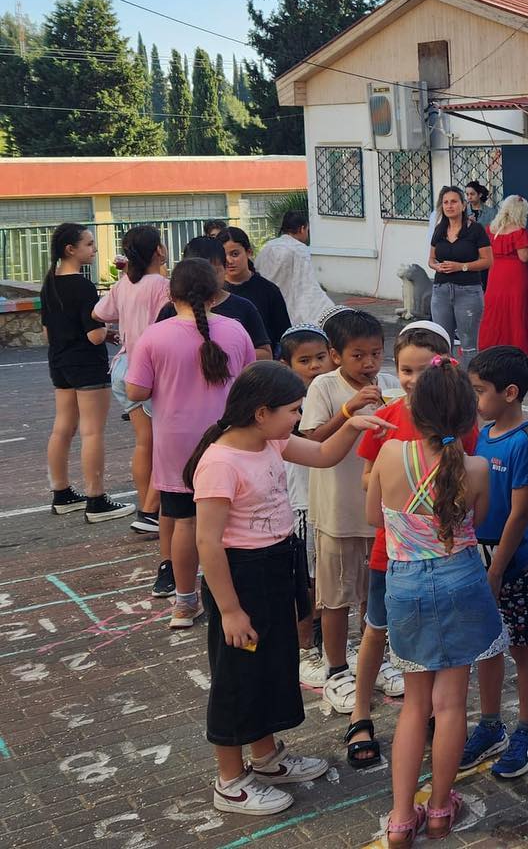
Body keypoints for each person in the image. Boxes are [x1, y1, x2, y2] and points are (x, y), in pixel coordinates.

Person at [188, 360, 392, 817]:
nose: (297, 418)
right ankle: (230, 780)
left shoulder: (269, 441)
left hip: (278, 564)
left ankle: (265, 758)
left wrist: (352, 424)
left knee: (274, 666)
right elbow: (208, 542)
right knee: (238, 679)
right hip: (241, 579)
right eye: (293, 410)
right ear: (261, 412)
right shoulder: (220, 461)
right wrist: (231, 610)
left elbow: (322, 455)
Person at [366, 357, 505, 847]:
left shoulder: (389, 456)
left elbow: (375, 517)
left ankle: (402, 817)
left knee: (414, 707)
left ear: (413, 409)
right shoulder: (477, 466)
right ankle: (442, 808)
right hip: (461, 580)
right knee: (450, 707)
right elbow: (478, 522)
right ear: (469, 418)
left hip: (404, 583)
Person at [347, 321, 478, 770]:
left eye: (424, 370)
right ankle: (360, 712)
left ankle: (434, 719)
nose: (413, 380)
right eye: (405, 369)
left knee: (438, 644)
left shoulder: (460, 419)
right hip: (394, 552)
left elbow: (464, 478)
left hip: (439, 554)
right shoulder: (388, 416)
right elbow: (367, 478)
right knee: (375, 630)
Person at [127, 259, 256, 628]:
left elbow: (136, 390)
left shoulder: (156, 336)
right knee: (233, 522)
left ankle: (185, 602)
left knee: (183, 522)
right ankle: (233, 597)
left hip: (176, 445)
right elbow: (250, 379)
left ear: (172, 294)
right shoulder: (234, 329)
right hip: (228, 440)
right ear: (216, 295)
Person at [300, 310, 400, 687]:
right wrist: (350, 409)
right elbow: (311, 440)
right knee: (336, 595)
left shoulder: (390, 383)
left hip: (379, 511)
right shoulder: (324, 387)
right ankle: (336, 667)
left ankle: (372, 660)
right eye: (358, 355)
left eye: (376, 353)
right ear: (336, 354)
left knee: (373, 593)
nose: (370, 363)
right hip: (337, 512)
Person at [461, 347, 528, 778]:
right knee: (486, 647)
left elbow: (520, 513)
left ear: (510, 392)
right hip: (480, 557)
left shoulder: (524, 439)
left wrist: (496, 570)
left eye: (480, 391)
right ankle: (490, 725)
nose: (474, 400)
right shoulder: (484, 433)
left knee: (523, 648)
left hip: (513, 563)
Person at [41, 223, 134, 524]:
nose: (94, 249)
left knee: (62, 428)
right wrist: (108, 332)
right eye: (89, 244)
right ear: (71, 249)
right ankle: (96, 499)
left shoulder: (50, 283)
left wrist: (100, 332)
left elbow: (47, 332)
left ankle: (62, 493)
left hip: (60, 362)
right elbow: (94, 335)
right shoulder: (83, 286)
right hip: (87, 365)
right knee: (92, 430)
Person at [94, 225, 171, 536]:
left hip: (123, 367)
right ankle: (151, 510)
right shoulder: (161, 285)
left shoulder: (124, 283)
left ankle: (147, 508)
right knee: (163, 443)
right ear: (158, 251)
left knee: (144, 442)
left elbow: (100, 312)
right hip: (149, 368)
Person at [276, 324, 335, 687]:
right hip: (301, 500)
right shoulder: (290, 400)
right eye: (305, 360)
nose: (315, 366)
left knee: (327, 577)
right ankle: (303, 650)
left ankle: (325, 643)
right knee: (306, 578)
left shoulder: (333, 390)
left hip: (329, 498)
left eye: (320, 358)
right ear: (286, 364)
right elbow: (314, 440)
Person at [157, 237, 271, 360]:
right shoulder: (171, 309)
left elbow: (266, 354)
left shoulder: (244, 307)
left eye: (213, 272)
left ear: (225, 268)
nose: (206, 279)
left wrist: (230, 351)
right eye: (198, 273)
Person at [429, 186, 491, 363]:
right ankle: (446, 385)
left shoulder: (476, 230)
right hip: (441, 290)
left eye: (454, 202)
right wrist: (437, 266)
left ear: (463, 205)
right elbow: (431, 259)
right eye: (446, 202)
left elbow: (487, 261)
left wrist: (461, 266)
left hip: (468, 290)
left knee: (468, 345)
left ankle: (469, 386)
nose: (449, 206)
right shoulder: (439, 230)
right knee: (442, 344)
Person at [477, 195, 528, 359]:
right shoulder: (519, 232)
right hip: (516, 275)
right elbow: (524, 257)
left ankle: (491, 345)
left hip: (496, 273)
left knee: (495, 310)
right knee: (516, 311)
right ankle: (518, 348)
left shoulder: (492, 229)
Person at [256, 210, 335, 325]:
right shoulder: (299, 249)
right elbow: (308, 287)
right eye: (307, 230)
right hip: (293, 311)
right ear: (302, 228)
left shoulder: (268, 246)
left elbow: (258, 272)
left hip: (267, 307)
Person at [222, 226, 291, 354]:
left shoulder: (269, 290)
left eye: (235, 254)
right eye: (223, 255)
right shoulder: (214, 292)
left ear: (249, 252)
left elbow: (284, 335)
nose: (229, 261)